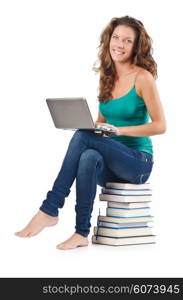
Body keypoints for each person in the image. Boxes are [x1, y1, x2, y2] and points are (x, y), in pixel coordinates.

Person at [15, 15, 166, 250]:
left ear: (137, 46)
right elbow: (100, 124)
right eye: (116, 38)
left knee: (83, 137)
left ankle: (50, 208)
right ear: (109, 40)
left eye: (128, 41)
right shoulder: (106, 78)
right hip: (109, 165)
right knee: (88, 153)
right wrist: (96, 127)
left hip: (138, 164)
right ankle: (80, 233)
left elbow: (160, 125)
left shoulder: (142, 77)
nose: (120, 44)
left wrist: (118, 131)